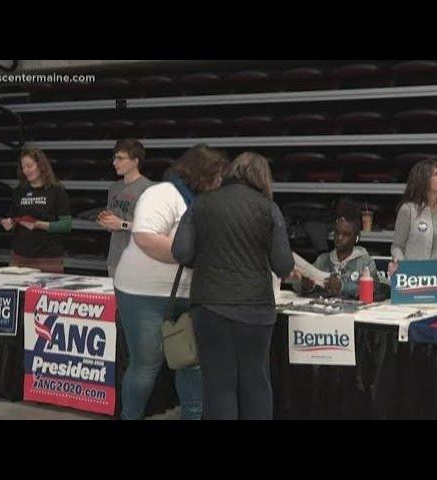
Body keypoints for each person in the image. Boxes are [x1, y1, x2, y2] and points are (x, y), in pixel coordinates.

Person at [173, 152, 294, 420]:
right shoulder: (269, 209)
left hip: (209, 306)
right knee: (256, 383)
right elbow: (284, 264)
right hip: (256, 309)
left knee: (218, 385)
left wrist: (206, 258)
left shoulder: (201, 203)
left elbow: (181, 252)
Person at [114, 144, 229, 420]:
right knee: (146, 364)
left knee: (191, 362)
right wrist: (193, 256)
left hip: (191, 294)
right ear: (204, 173)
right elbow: (146, 238)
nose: (221, 182)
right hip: (144, 293)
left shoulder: (208, 202)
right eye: (218, 175)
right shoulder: (163, 193)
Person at [293, 199, 387, 300]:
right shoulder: (323, 260)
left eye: (346, 234)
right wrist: (306, 286)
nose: (340, 238)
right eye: (337, 233)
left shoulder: (365, 261)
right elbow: (297, 286)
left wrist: (342, 287)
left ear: (356, 238)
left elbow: (376, 290)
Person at [389, 159, 437, 279]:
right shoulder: (408, 210)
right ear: (423, 180)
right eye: (436, 174)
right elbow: (397, 246)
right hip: (414, 277)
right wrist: (400, 264)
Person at [1, 146, 72, 273]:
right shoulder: (19, 191)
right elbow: (14, 218)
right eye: (23, 167)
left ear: (40, 165)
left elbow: (66, 225)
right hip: (19, 257)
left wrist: (40, 225)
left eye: (29, 166)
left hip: (48, 259)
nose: (26, 171)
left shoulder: (56, 190)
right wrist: (9, 224)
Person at [97, 139, 152, 278]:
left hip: (138, 261)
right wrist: (106, 221)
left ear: (135, 161)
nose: (115, 162)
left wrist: (121, 224)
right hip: (115, 258)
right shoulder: (114, 188)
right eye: (114, 158)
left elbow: (151, 228)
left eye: (120, 158)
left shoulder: (148, 189)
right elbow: (113, 222)